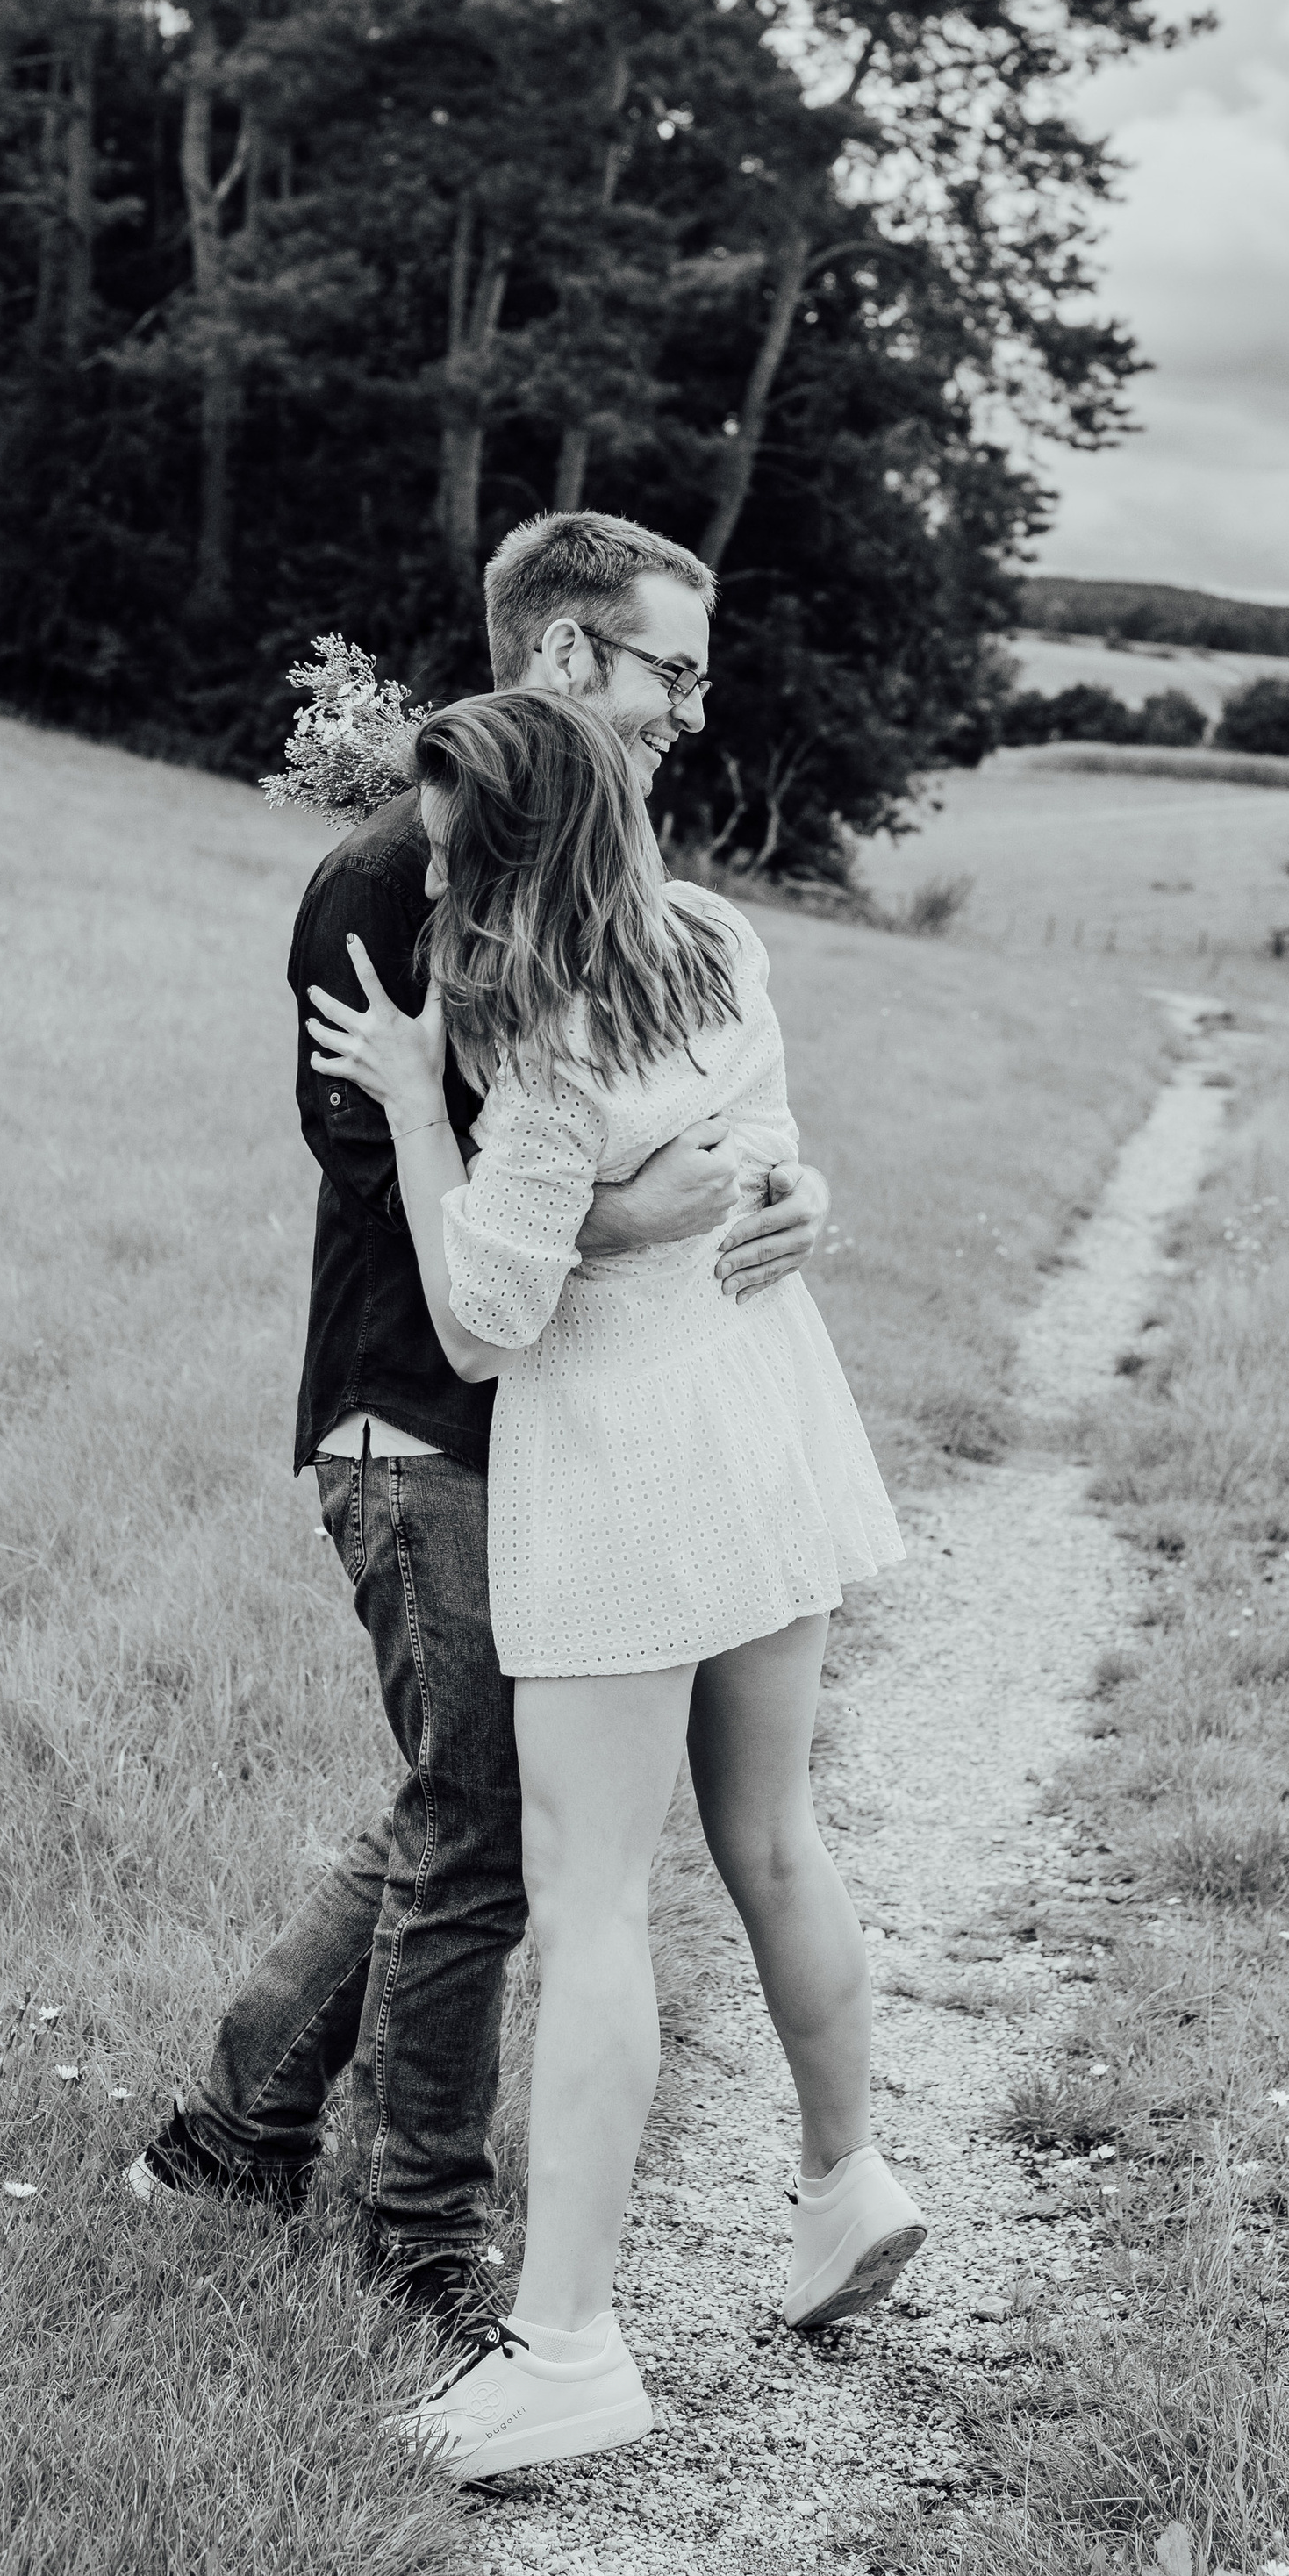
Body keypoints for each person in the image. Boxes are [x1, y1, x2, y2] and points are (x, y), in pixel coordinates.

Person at [126, 514, 832, 2347]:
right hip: (420, 1410)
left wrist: (781, 1190)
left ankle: (238, 2131)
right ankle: (418, 2230)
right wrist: (630, 1216)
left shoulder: (597, 856)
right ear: (569, 656)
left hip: (542, 1412)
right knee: (483, 1824)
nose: (691, 708)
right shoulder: (389, 873)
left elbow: (695, 1091)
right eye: (671, 669)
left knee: (469, 1804)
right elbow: (379, 1161)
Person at [305, 690, 922, 2483]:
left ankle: (566, 2345)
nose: (428, 883)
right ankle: (844, 2179)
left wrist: (418, 1106)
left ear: (511, 856)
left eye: (448, 856)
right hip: (761, 1411)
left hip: (625, 1464)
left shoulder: (541, 1039)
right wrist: (739, 1190)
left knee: (588, 1903)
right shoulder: (713, 938)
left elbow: (479, 1326)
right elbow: (769, 1149)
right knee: (775, 1833)